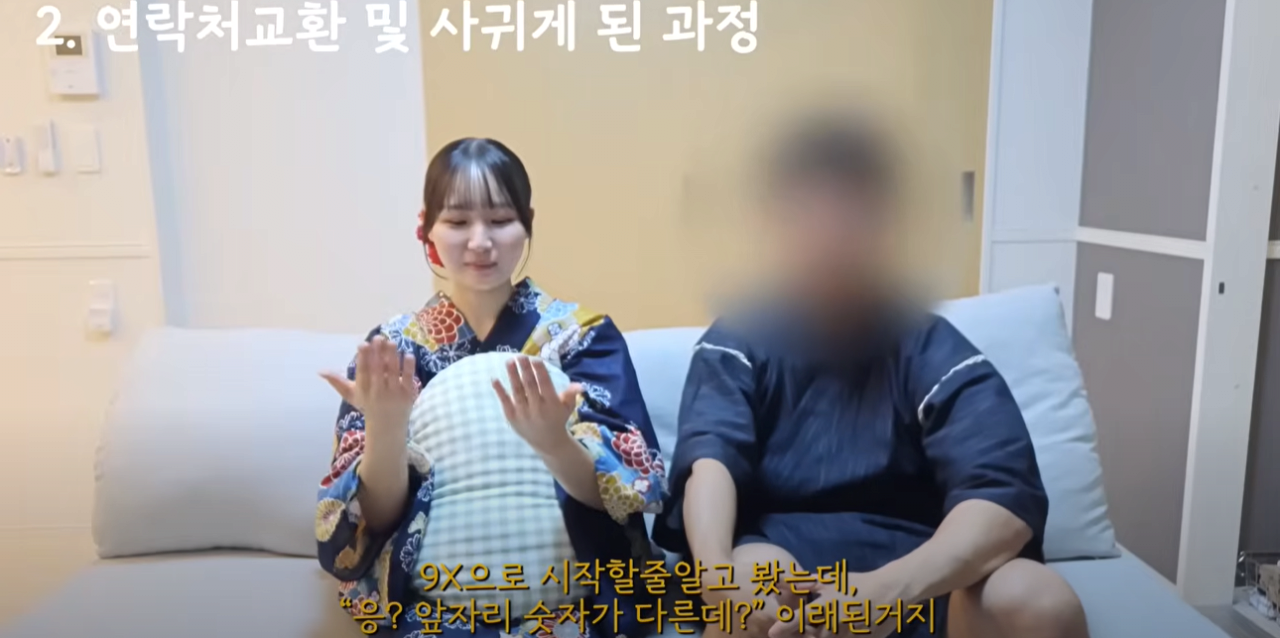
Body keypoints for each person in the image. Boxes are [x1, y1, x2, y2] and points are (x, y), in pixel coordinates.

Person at [652, 113, 1090, 638]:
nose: (830, 236)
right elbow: (710, 461)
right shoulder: (740, 338)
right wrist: (714, 574)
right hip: (785, 563)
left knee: (1039, 601)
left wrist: (882, 593)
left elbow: (1001, 496)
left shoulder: (931, 348)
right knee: (751, 584)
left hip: (922, 575)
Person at [315, 138, 667, 638]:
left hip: (579, 602)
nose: (480, 241)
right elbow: (370, 523)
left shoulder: (581, 337)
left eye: (500, 220)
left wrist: (555, 443)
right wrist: (387, 430)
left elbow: (628, 493)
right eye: (458, 222)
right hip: (433, 611)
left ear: (527, 223)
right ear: (426, 228)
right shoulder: (394, 349)